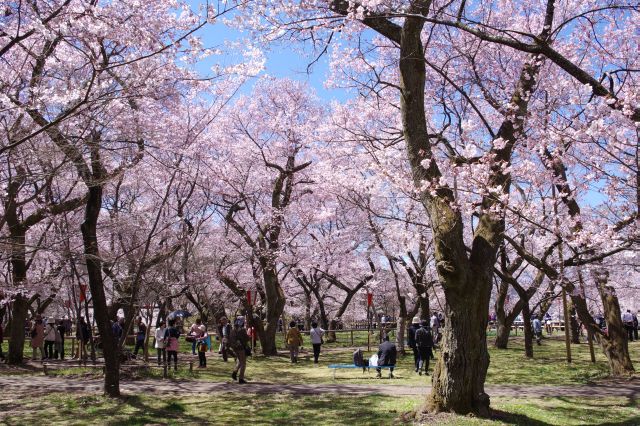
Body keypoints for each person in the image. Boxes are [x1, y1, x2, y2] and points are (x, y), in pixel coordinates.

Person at [229, 316, 249, 384]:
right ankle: (241, 378)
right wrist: (248, 335)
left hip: (235, 347)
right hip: (240, 347)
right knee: (243, 363)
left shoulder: (233, 329)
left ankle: (234, 373)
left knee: (240, 361)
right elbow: (246, 339)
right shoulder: (242, 330)